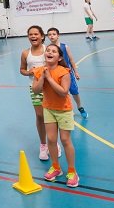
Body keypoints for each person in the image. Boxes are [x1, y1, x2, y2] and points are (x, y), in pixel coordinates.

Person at [32, 44, 80, 187]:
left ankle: (72, 171)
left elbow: (63, 92)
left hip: (64, 110)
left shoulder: (64, 72)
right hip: (48, 109)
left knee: (65, 139)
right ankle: (56, 167)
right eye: (48, 50)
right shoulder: (39, 71)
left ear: (59, 58)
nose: (50, 52)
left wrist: (49, 78)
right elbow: (36, 90)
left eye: (54, 51)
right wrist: (42, 77)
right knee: (51, 139)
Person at [19, 25, 60, 161]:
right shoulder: (25, 53)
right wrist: (29, 72)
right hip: (35, 87)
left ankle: (54, 143)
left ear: (42, 36)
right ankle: (43, 145)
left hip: (49, 87)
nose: (33, 36)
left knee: (52, 116)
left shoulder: (48, 50)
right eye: (30, 34)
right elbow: (22, 70)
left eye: (36, 34)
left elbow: (57, 63)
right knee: (40, 116)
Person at [47, 28, 87, 119]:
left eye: (54, 34)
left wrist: (76, 72)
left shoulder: (65, 47)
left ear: (58, 35)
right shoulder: (48, 48)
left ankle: (80, 107)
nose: (51, 36)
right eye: (49, 34)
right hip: (56, 74)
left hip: (67, 73)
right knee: (61, 92)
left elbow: (71, 60)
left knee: (74, 91)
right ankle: (69, 109)